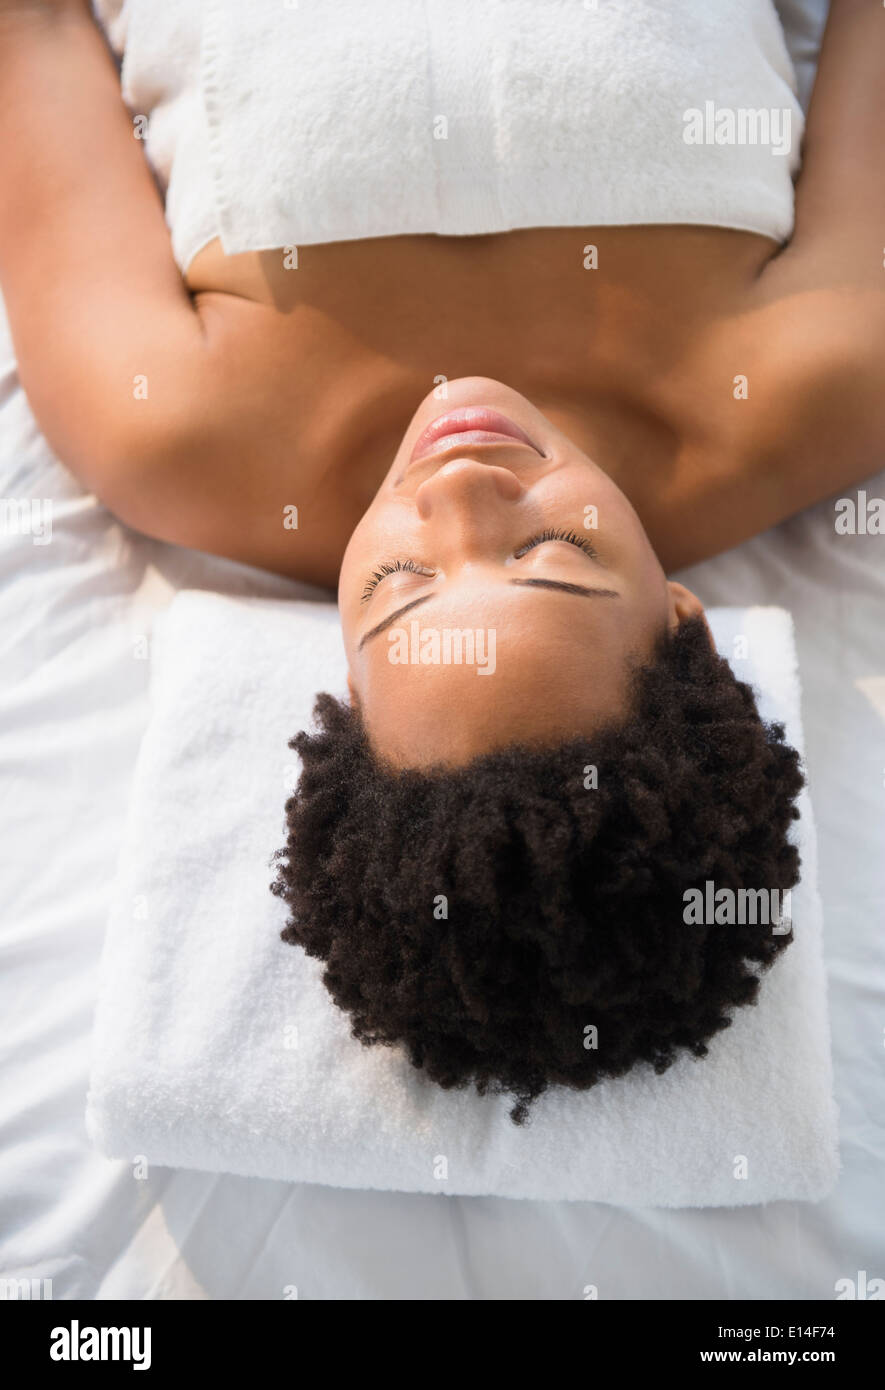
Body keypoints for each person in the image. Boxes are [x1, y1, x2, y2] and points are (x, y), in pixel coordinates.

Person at [0, 0, 879, 1119]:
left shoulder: (167, 429)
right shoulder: (824, 381)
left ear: (340, 685)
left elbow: (30, 29)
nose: (460, 491)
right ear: (684, 619)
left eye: (402, 584)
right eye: (554, 550)